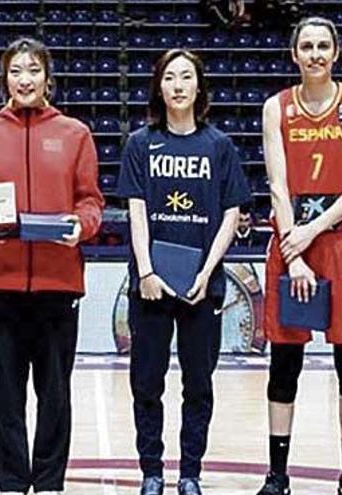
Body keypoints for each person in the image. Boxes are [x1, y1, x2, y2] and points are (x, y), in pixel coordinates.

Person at [0, 38, 104, 495]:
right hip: (1, 282)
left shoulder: (75, 133)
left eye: (33, 70)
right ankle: (13, 484)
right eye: (16, 71)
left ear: (47, 78)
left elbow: (91, 200)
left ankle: (51, 482)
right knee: (7, 395)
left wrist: (84, 224)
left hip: (59, 283)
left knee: (55, 393)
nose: (25, 79)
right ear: (6, 79)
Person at [116, 49, 251, 495]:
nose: (177, 85)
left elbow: (231, 214)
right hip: (151, 287)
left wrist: (207, 273)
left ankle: (190, 473)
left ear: (198, 86)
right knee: (146, 384)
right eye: (169, 77)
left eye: (186, 76)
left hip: (201, 286)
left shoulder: (219, 146)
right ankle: (151, 472)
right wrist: (148, 272)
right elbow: (136, 211)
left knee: (199, 385)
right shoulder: (140, 144)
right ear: (159, 86)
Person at [256, 16, 342, 495]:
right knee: (285, 365)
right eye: (306, 46)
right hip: (291, 247)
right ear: (294, 54)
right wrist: (295, 250)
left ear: (337, 52)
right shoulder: (276, 108)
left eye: (323, 45)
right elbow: (277, 184)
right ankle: (277, 475)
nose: (315, 54)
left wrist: (311, 231)